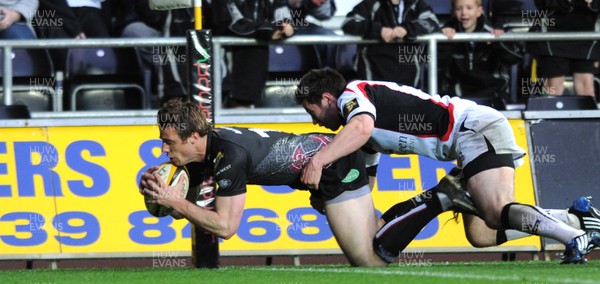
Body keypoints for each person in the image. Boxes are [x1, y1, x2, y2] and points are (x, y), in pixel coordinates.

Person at [294, 68, 600, 264]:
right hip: (468, 138)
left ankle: (572, 238)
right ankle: (577, 218)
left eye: (313, 112)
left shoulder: (354, 94)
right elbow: (366, 187)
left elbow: (360, 128)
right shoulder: (359, 131)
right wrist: (333, 200)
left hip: (473, 129)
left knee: (495, 211)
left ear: (327, 98)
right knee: (481, 235)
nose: (315, 121)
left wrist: (319, 160)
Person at [138, 99, 479, 267]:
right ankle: (441, 195)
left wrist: (175, 201)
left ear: (195, 136)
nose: (163, 149)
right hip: (324, 164)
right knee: (375, 232)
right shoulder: (206, 150)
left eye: (169, 142)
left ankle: (441, 197)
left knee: (370, 259)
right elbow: (194, 208)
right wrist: (167, 200)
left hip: (333, 166)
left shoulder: (229, 156)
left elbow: (226, 227)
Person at [211, 0, 296, 108]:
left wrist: (284, 27)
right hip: (224, 60)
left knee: (242, 109)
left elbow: (286, 21)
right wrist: (270, 31)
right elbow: (235, 24)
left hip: (253, 64)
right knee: (214, 109)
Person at [341, 0, 440, 88]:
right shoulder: (371, 3)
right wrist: (378, 30)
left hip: (410, 83)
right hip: (374, 80)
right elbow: (349, 23)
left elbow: (432, 22)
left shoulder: (417, 4)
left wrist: (407, 29)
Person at [439, 0, 522, 104]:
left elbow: (515, 57)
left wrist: (497, 42)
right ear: (453, 12)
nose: (464, 13)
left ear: (479, 11)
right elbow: (436, 63)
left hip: (492, 93)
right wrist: (445, 41)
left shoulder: (492, 31)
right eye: (459, 9)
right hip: (459, 95)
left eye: (469, 8)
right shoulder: (447, 34)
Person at [527, 0, 600, 98]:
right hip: (552, 37)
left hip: (587, 38)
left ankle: (589, 113)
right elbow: (543, 4)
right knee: (554, 86)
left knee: (586, 86)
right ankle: (547, 111)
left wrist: (593, 3)